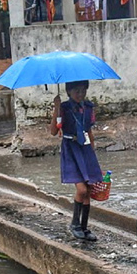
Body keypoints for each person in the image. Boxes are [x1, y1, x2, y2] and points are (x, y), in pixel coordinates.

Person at [50, 80, 104, 241]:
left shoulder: (88, 108)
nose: (80, 94)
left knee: (88, 189)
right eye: (76, 91)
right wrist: (56, 108)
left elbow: (88, 130)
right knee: (81, 190)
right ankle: (74, 224)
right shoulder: (64, 109)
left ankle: (84, 227)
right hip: (71, 148)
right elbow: (53, 131)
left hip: (85, 149)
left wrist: (92, 154)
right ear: (68, 92)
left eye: (83, 91)